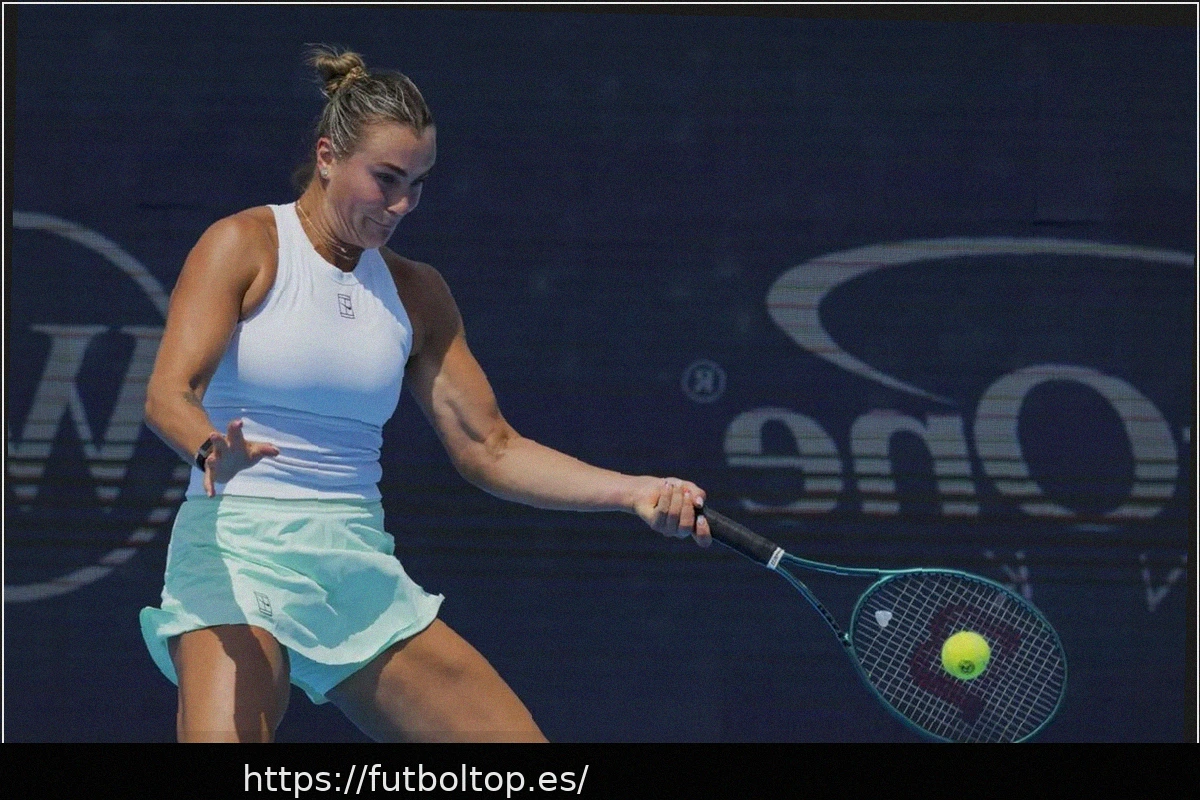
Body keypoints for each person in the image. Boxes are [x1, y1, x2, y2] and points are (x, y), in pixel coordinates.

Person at [139, 45, 711, 743]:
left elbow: (492, 448)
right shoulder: (244, 244)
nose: (402, 204)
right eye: (386, 179)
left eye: (418, 183)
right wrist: (210, 449)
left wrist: (633, 491)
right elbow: (169, 392)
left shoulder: (416, 292)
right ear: (327, 156)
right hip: (235, 548)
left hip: (353, 558)